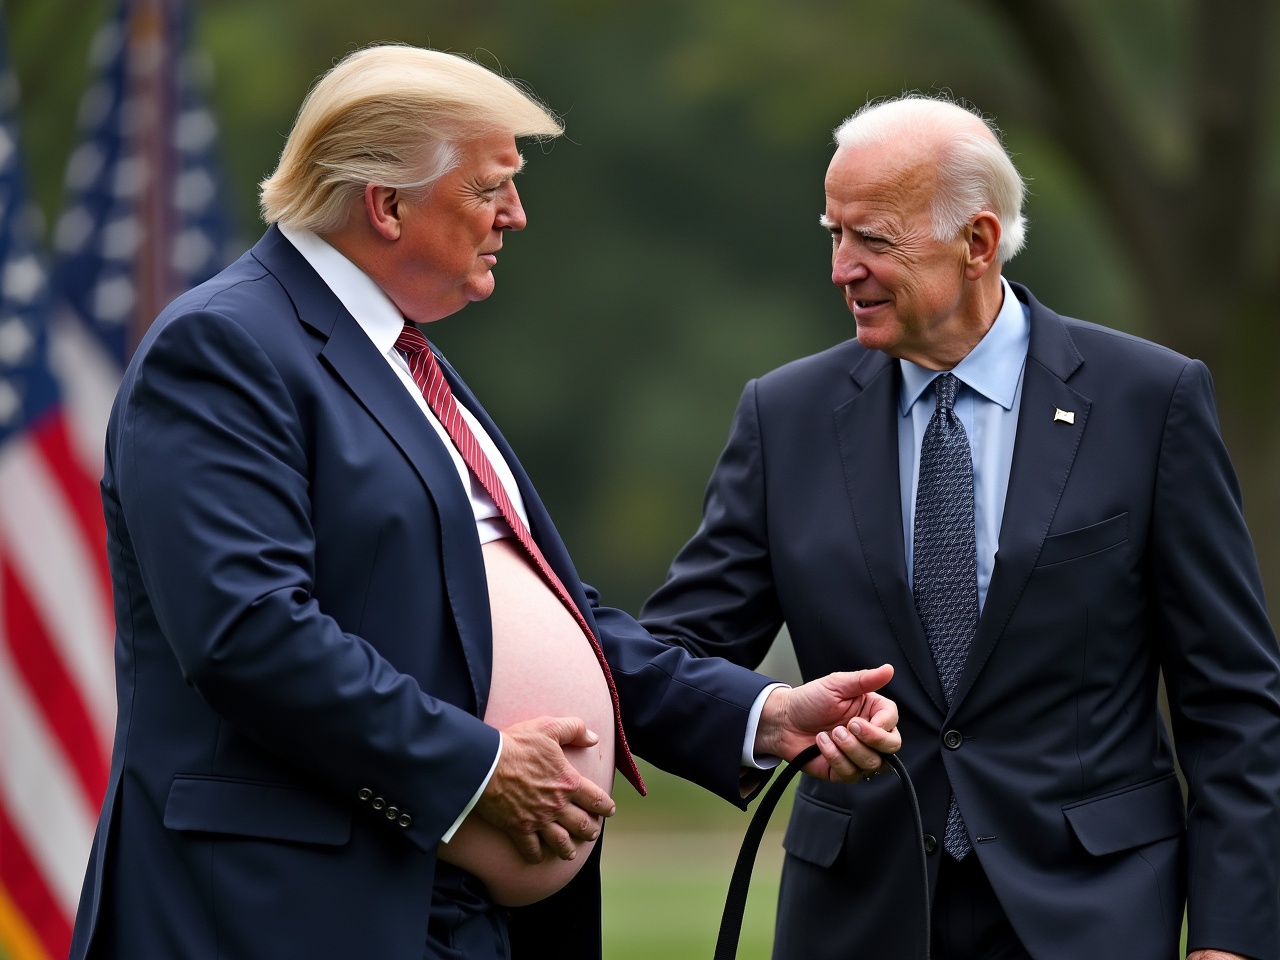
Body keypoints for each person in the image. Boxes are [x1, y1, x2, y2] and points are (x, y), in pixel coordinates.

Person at [67, 45, 904, 960]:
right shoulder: (223, 347)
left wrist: (761, 714)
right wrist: (479, 770)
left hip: (452, 910)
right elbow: (246, 631)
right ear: (386, 205)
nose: (516, 213)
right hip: (282, 911)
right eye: (488, 187)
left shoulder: (401, 357)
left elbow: (551, 616)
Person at [640, 94, 1280, 960]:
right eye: (833, 233)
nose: (841, 267)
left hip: (1091, 915)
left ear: (977, 243)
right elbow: (677, 649)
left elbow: (1232, 698)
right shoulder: (784, 416)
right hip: (859, 916)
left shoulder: (1150, 401)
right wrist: (773, 713)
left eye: (872, 239)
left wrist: (1231, 941)